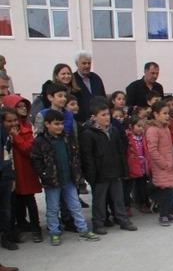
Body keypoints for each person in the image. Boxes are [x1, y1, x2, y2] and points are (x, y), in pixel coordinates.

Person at [30, 110, 101, 246]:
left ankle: (83, 230)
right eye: (56, 124)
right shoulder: (40, 141)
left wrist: (78, 174)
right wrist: (44, 174)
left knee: (75, 206)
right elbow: (36, 160)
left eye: (62, 124)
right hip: (52, 181)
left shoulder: (68, 138)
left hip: (69, 179)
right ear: (47, 124)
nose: (60, 127)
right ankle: (54, 233)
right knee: (53, 208)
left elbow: (75, 156)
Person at [79, 101, 137, 234]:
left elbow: (120, 151)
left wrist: (124, 169)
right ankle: (98, 223)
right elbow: (87, 157)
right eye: (103, 115)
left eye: (108, 114)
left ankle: (122, 219)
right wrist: (91, 175)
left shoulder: (114, 131)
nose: (107, 117)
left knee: (118, 198)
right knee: (99, 200)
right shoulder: (88, 134)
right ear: (94, 117)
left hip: (115, 171)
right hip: (100, 174)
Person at [4, 95, 43, 242]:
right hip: (11, 172)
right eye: (19, 106)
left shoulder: (27, 128)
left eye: (25, 106)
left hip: (25, 171)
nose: (24, 109)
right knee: (14, 202)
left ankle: (36, 229)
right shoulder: (4, 130)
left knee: (29, 200)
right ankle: (18, 227)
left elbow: (28, 149)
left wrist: (17, 137)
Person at [144, 101, 173, 227]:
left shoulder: (165, 128)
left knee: (170, 189)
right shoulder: (153, 130)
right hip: (161, 166)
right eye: (164, 113)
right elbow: (152, 150)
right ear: (155, 114)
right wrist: (163, 163)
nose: (167, 116)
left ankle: (169, 212)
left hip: (170, 164)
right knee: (164, 190)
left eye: (168, 113)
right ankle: (163, 214)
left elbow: (170, 147)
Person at [1, 108, 19, 251]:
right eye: (9, 121)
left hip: (6, 177)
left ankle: (6, 237)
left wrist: (12, 177)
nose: (13, 123)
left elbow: (9, 158)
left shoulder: (10, 136)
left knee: (6, 209)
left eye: (15, 120)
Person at [125, 116, 150, 213]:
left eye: (143, 127)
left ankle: (143, 203)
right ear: (131, 126)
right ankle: (127, 206)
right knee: (128, 187)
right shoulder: (127, 137)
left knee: (142, 186)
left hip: (142, 167)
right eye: (138, 126)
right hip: (132, 166)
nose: (141, 128)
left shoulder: (143, 137)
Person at [72, 51, 107, 122]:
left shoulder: (96, 78)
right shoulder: (73, 80)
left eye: (89, 63)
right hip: (81, 121)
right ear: (77, 64)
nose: (87, 66)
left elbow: (103, 97)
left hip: (99, 119)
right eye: (84, 63)